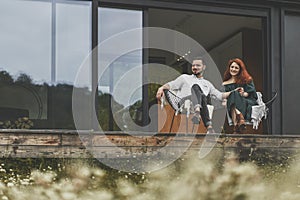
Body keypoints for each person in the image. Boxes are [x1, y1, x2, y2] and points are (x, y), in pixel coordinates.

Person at [156, 57, 232, 134]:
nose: (195, 67)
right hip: (184, 103)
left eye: (198, 65)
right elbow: (171, 85)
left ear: (204, 67)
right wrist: (161, 88)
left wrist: (234, 93)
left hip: (201, 104)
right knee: (195, 87)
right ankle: (206, 122)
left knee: (202, 95)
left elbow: (219, 95)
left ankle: (201, 117)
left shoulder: (208, 84)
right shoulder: (184, 77)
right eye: (193, 65)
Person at [222, 58, 258, 133]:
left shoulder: (247, 79)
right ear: (229, 68)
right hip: (230, 103)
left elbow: (252, 94)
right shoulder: (225, 83)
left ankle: (236, 126)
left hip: (245, 102)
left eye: (236, 68)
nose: (233, 69)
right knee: (233, 96)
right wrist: (233, 93)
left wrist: (243, 93)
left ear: (240, 70)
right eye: (232, 67)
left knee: (234, 95)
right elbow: (222, 95)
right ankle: (240, 119)